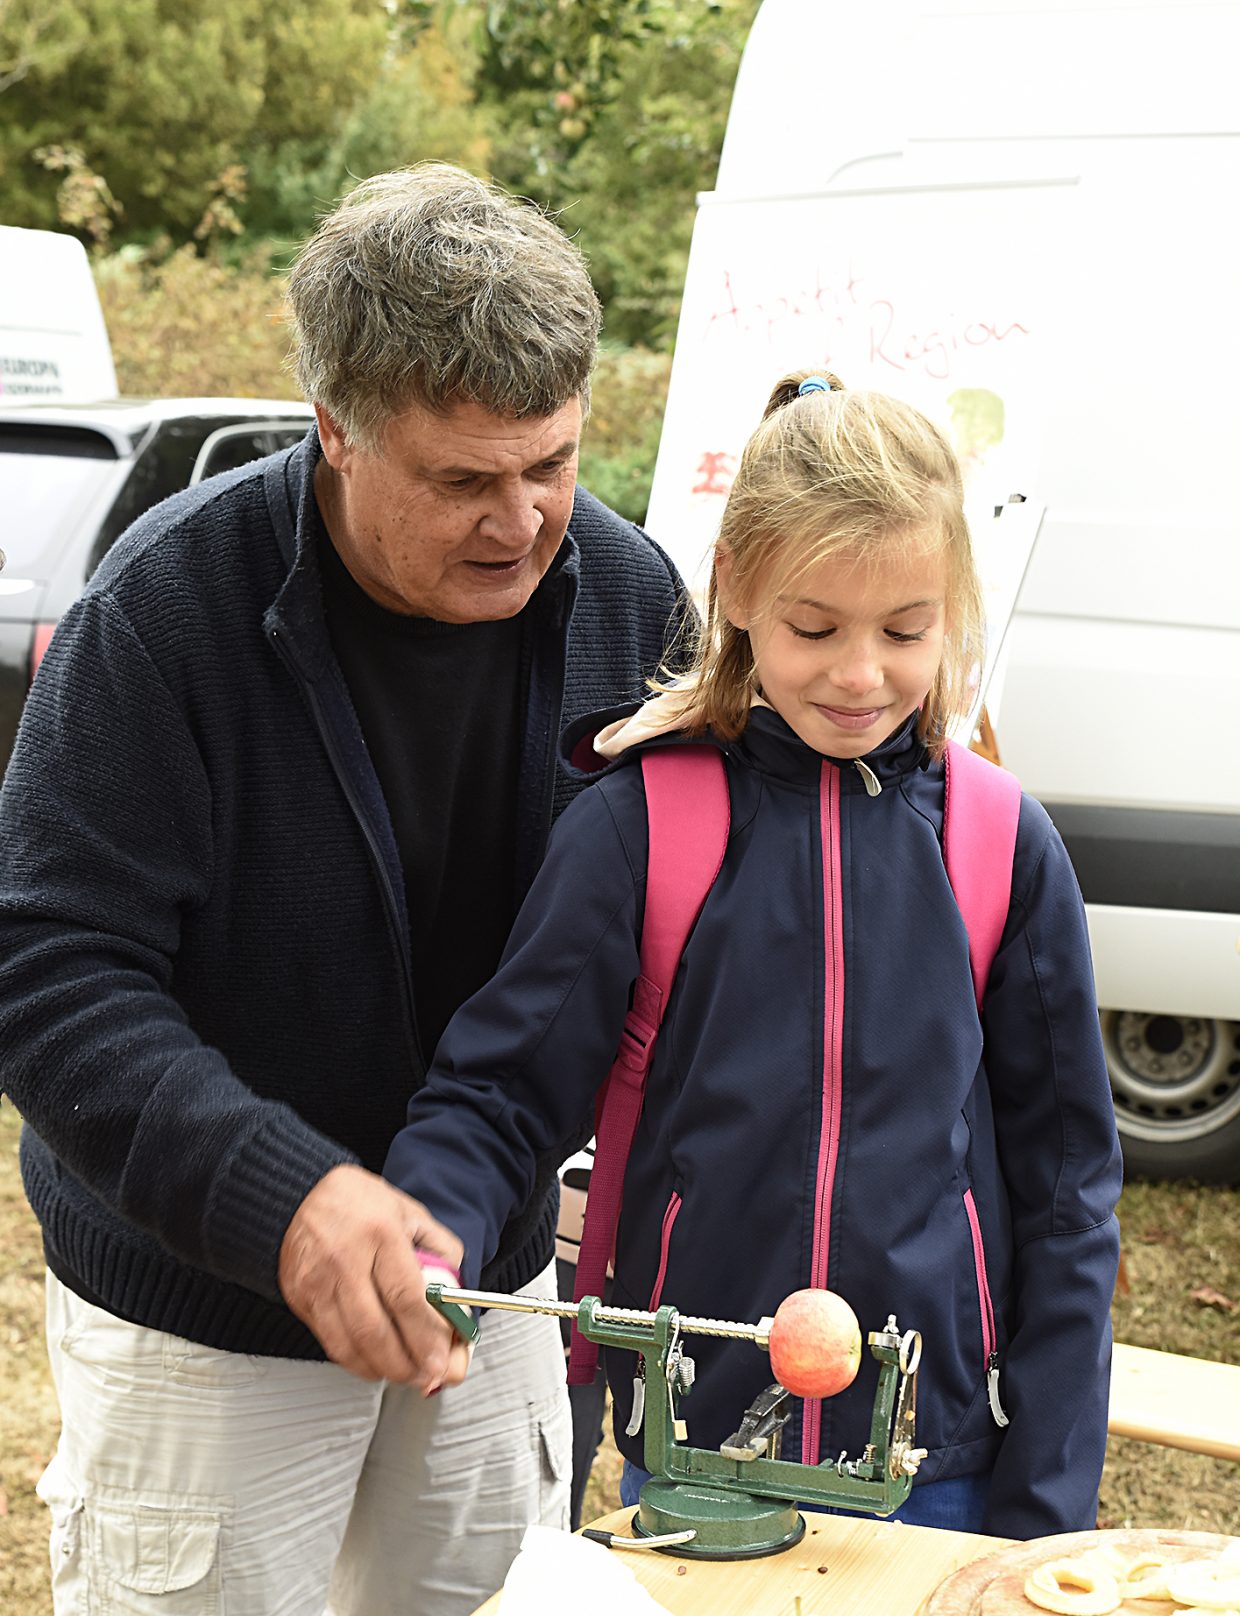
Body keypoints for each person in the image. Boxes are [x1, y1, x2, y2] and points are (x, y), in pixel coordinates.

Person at [0, 163, 692, 1616]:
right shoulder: (159, 619)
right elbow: (49, 969)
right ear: (335, 426)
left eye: (556, 461)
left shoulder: (629, 590)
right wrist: (286, 1200)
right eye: (464, 479)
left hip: (494, 1284)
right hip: (207, 1313)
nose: (523, 519)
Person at [385, 368, 1124, 1542]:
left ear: (955, 611)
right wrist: (426, 1227)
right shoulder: (640, 827)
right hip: (694, 1455)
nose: (859, 673)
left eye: (906, 629)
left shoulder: (999, 845)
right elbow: (500, 1090)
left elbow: (1067, 1191)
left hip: (939, 1468)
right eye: (814, 625)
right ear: (735, 587)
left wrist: (1042, 1502)